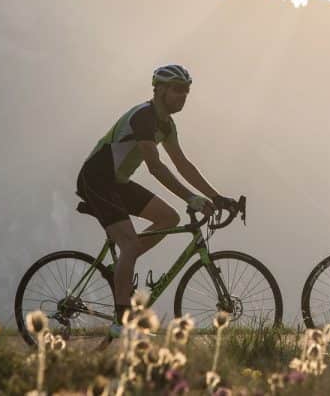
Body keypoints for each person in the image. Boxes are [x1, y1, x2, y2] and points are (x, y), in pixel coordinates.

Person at [76, 64, 233, 335]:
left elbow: (183, 164)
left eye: (186, 90)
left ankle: (121, 271)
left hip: (118, 183)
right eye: (177, 89)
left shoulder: (166, 124)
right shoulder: (144, 117)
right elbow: (155, 167)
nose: (182, 95)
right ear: (159, 90)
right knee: (129, 242)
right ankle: (121, 320)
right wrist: (191, 197)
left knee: (169, 218)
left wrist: (215, 197)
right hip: (97, 179)